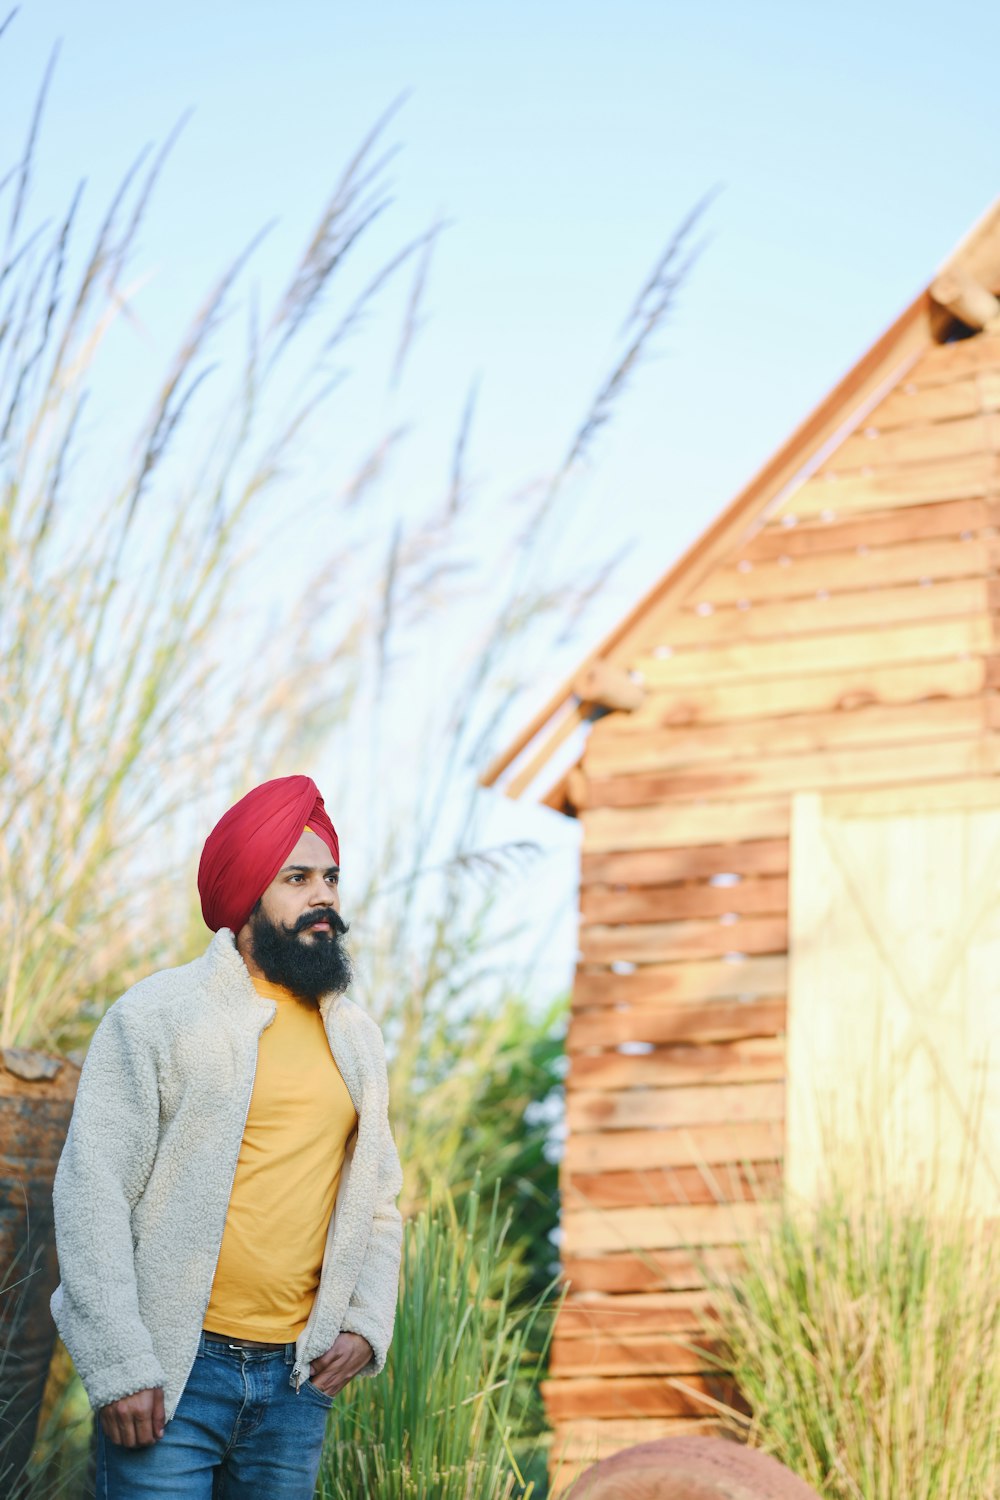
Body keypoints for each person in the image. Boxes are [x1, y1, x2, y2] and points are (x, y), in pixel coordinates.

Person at [50, 774, 403, 1499]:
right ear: (245, 897)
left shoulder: (357, 1039)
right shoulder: (157, 1015)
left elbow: (378, 1201)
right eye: (297, 877)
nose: (324, 897)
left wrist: (367, 1322)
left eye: (331, 877)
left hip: (296, 1385)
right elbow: (93, 1188)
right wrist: (120, 1365)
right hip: (173, 1376)